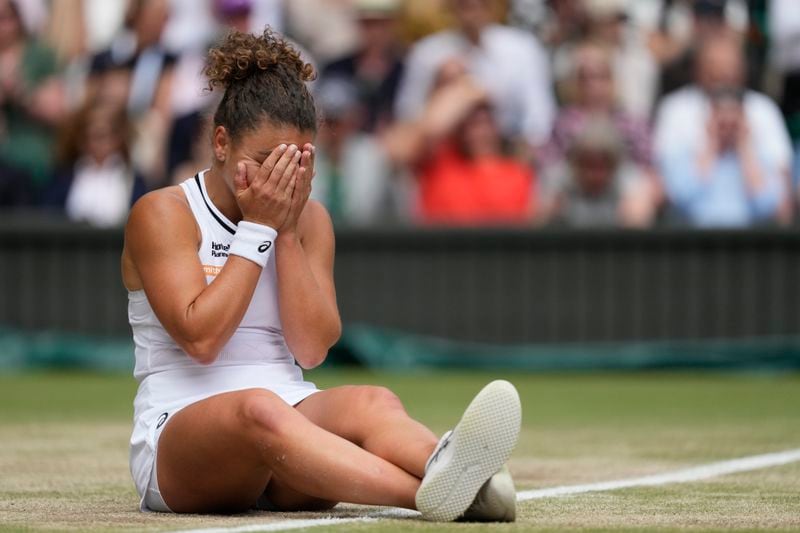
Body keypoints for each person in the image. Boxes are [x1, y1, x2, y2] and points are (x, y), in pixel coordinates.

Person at [121, 29, 521, 521]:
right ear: (221, 143)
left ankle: (445, 465)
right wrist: (260, 228)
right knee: (259, 409)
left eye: (298, 163)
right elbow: (201, 340)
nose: (281, 180)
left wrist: (286, 232)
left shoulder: (310, 220)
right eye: (268, 162)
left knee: (373, 400)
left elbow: (311, 349)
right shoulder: (163, 212)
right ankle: (436, 495)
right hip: (182, 438)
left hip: (295, 436)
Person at [395, 0, 555, 147]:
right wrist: (438, 89)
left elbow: (539, 120)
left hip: (509, 158)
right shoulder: (426, 54)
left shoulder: (523, 48)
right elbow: (407, 118)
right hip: (444, 161)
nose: (472, 3)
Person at [660, 88, 786, 227]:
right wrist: (711, 147)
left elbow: (766, 205)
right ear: (709, 120)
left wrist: (745, 149)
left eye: (733, 124)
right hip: (696, 239)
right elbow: (681, 199)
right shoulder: (685, 156)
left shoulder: (761, 158)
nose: (727, 131)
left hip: (747, 241)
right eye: (722, 124)